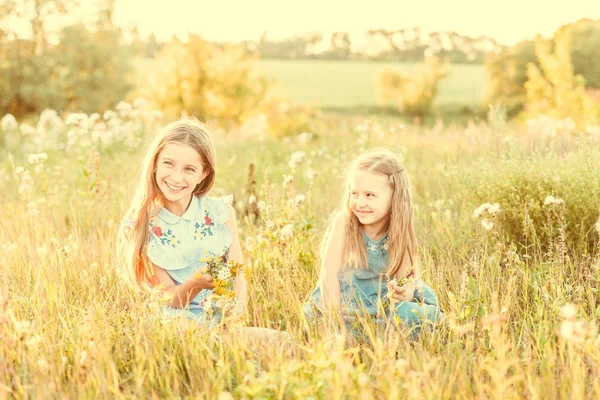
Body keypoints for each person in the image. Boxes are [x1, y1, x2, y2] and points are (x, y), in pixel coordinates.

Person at [304, 148, 443, 340]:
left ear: (394, 198)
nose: (360, 203)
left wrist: (404, 293)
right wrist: (336, 322)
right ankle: (366, 335)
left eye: (370, 195)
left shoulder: (399, 229)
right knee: (327, 326)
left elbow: (407, 281)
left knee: (414, 314)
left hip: (382, 303)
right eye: (354, 193)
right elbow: (328, 276)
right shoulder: (344, 224)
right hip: (344, 303)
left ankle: (377, 334)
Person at [118, 118, 247, 325]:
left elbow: (238, 276)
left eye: (189, 169)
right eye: (168, 164)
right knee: (184, 329)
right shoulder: (141, 224)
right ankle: (214, 344)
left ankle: (225, 341)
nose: (177, 178)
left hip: (220, 314)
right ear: (155, 165)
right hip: (177, 318)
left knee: (281, 341)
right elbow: (169, 298)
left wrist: (236, 318)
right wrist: (195, 284)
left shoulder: (221, 213)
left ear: (203, 174)